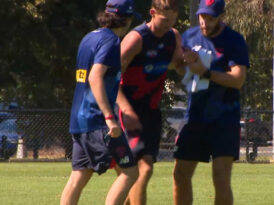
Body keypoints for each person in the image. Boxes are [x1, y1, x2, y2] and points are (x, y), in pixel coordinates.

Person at [115, 0, 195, 204]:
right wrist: (125, 110)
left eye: (173, 20)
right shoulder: (136, 39)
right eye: (164, 20)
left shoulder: (173, 36)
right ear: (152, 13)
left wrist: (188, 61)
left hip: (151, 111)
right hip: (128, 111)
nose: (168, 25)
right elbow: (111, 79)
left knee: (140, 170)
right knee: (143, 169)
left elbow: (178, 67)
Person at [60, 1, 140, 205]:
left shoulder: (89, 38)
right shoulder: (111, 41)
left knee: (79, 176)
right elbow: (94, 77)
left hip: (79, 121)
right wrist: (109, 117)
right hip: (97, 121)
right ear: (127, 18)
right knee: (130, 173)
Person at [173, 0, 250, 205]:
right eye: (202, 16)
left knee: (221, 178)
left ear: (221, 16)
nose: (205, 22)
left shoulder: (234, 40)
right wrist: (183, 63)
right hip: (194, 117)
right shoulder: (189, 36)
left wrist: (205, 72)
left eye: (211, 17)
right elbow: (181, 70)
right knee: (180, 175)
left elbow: (237, 79)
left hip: (224, 119)